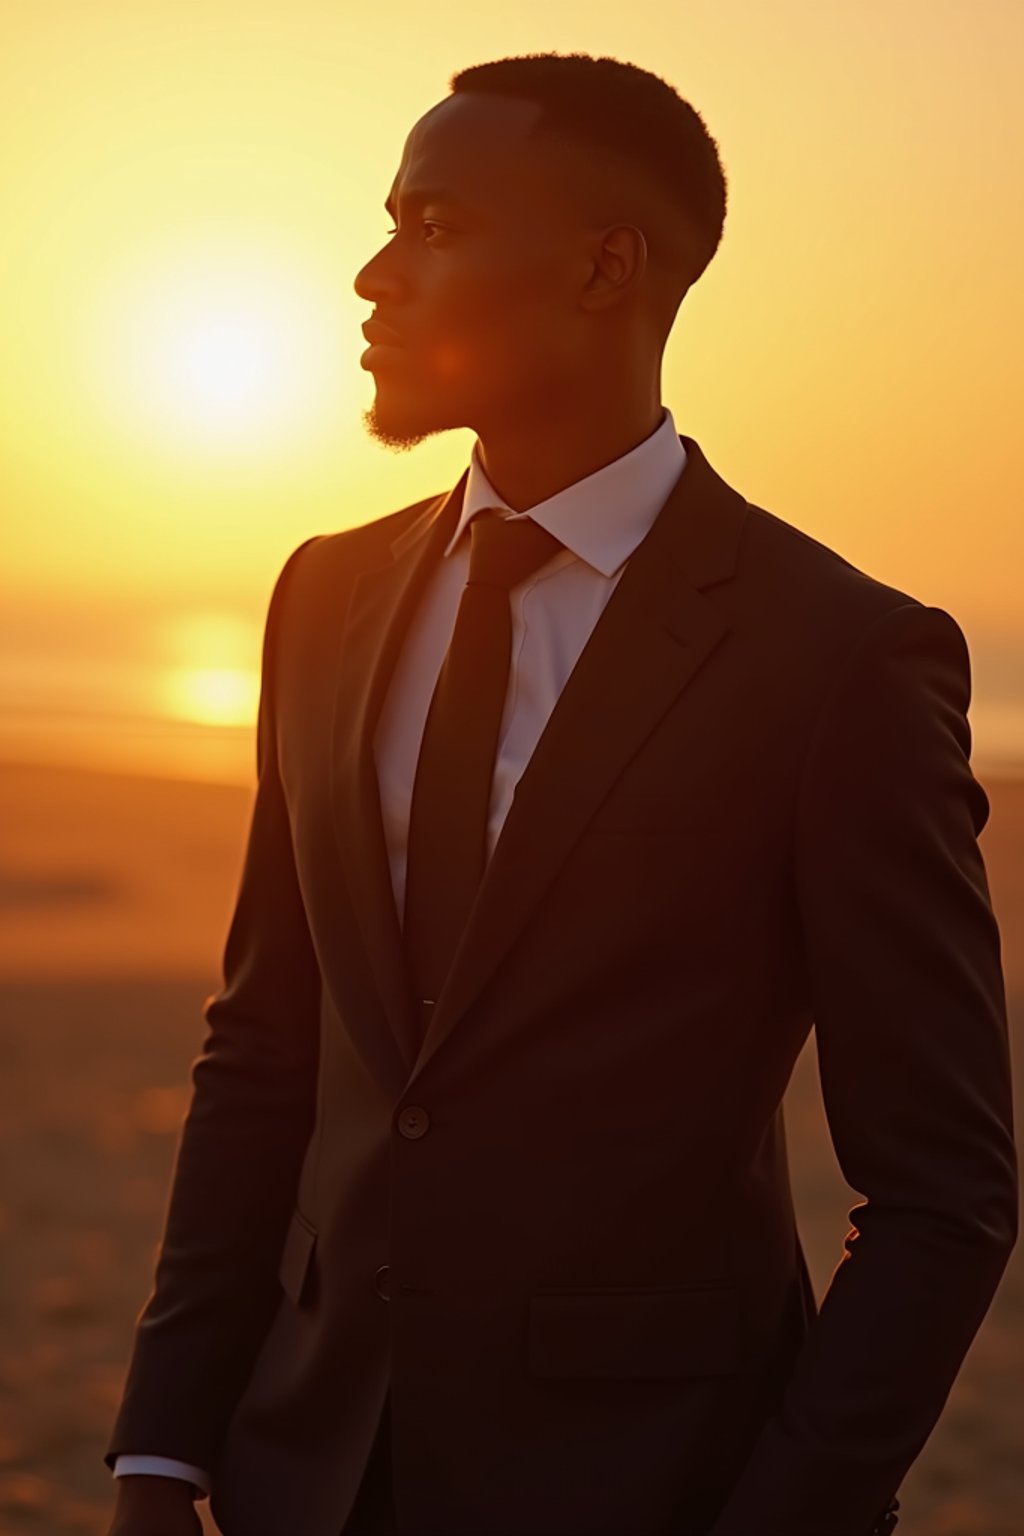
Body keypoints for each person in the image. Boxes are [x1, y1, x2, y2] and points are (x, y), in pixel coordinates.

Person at [104, 50, 1017, 1536]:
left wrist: (789, 1511)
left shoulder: (840, 658)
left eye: (438, 225)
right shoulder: (322, 597)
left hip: (649, 1487)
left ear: (606, 270)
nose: (372, 273)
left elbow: (945, 1192)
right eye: (387, 219)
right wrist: (161, 1447)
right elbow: (264, 1050)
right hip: (299, 1472)